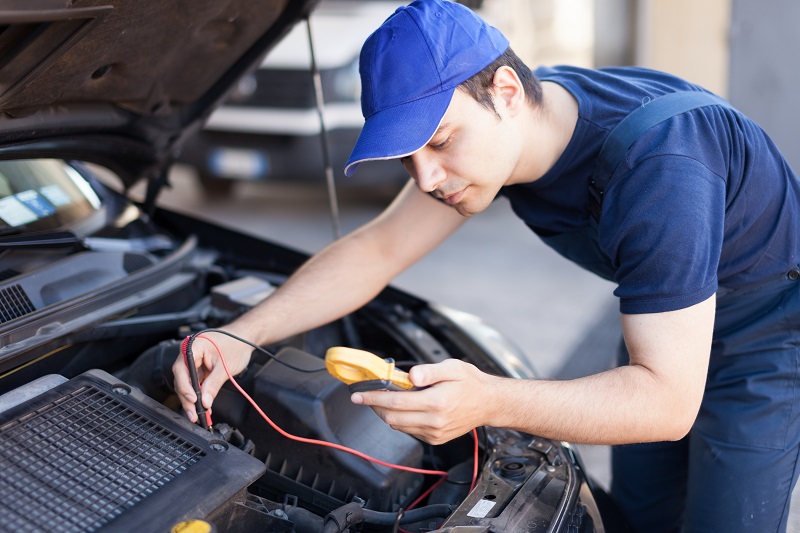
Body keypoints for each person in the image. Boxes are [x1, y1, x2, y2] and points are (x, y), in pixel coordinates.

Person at [173, 0, 800, 531]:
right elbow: (377, 248)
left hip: (763, 334)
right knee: (640, 517)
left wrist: (487, 400)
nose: (427, 179)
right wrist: (241, 335)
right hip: (667, 317)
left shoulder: (661, 169)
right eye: (407, 158)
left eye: (441, 141)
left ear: (504, 91)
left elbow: (665, 401)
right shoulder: (522, 124)